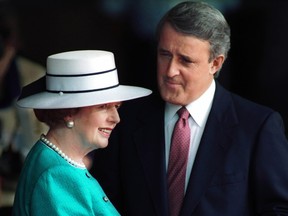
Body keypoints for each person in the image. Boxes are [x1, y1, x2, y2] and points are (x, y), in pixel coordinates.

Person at [91, 1, 288, 216]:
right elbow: (104, 203)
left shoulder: (257, 127)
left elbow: (278, 209)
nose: (170, 71)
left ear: (216, 63)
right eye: (164, 54)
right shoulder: (124, 121)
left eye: (185, 61)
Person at [12, 50, 152, 215]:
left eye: (117, 107)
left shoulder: (60, 163)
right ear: (68, 111)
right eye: (103, 107)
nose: (116, 118)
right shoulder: (57, 175)